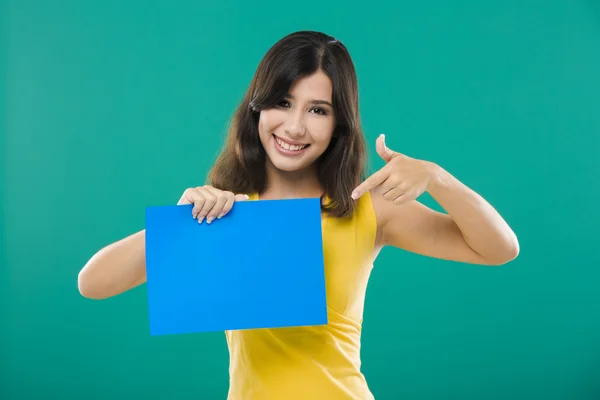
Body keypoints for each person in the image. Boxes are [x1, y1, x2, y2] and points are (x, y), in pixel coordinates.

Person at [78, 30, 520, 400]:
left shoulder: (366, 206)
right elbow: (93, 283)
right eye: (283, 103)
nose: (294, 127)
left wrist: (438, 178)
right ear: (258, 106)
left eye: (318, 110)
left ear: (339, 123)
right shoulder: (229, 212)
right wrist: (179, 227)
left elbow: (499, 249)